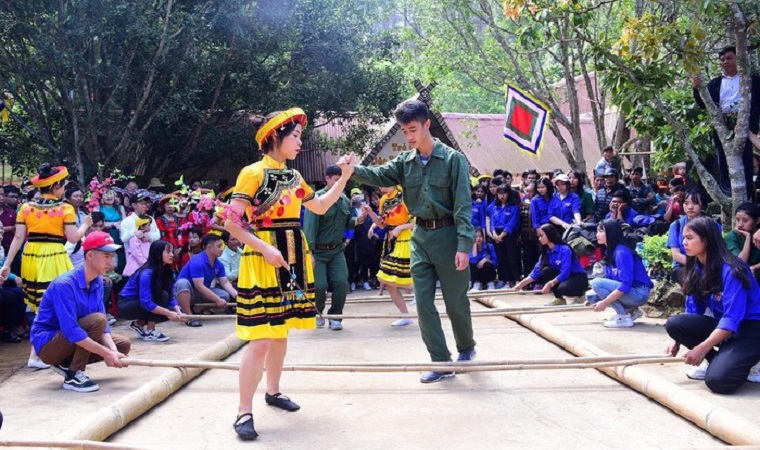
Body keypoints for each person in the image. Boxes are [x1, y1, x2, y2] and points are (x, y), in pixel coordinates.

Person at [223, 108, 355, 440]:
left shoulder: (294, 177)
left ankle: (273, 391)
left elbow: (321, 206)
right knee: (261, 338)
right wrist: (265, 248)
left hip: (294, 253)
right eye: (295, 136)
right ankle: (243, 410)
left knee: (281, 333)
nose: (300, 142)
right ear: (275, 137)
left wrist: (344, 178)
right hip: (264, 257)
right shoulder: (251, 173)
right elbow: (230, 223)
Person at [345, 99, 477, 384]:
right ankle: (441, 362)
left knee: (455, 302)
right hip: (420, 236)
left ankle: (466, 347)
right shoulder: (405, 163)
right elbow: (378, 174)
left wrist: (464, 246)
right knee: (423, 302)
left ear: (427, 124)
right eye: (404, 131)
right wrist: (353, 169)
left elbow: (463, 206)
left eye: (413, 129)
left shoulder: (453, 160)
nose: (409, 136)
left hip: (449, 235)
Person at [1, 164, 92, 369]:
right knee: (55, 302)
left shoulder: (26, 208)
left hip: (31, 256)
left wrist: (7, 264)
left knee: (40, 304)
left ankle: (38, 352)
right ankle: (41, 353)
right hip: (54, 256)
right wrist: (86, 224)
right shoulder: (65, 209)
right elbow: (73, 237)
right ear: (57, 186)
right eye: (62, 185)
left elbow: (17, 237)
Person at [665, 216, 760, 394]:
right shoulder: (695, 266)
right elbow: (693, 310)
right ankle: (719, 360)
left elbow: (733, 318)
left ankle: (751, 360)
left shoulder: (732, 270)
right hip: (724, 326)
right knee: (675, 324)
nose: (684, 243)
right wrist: (677, 340)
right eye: (684, 238)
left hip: (751, 327)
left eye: (690, 238)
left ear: (707, 240)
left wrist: (702, 347)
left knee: (718, 382)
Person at [31, 231, 131, 392]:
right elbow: (72, 330)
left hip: (71, 338)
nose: (111, 263)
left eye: (111, 256)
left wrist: (112, 351)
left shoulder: (98, 282)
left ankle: (67, 363)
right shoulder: (64, 285)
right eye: (106, 256)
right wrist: (106, 353)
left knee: (122, 345)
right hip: (49, 345)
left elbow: (103, 328)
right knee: (98, 320)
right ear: (90, 255)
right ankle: (74, 374)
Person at [303, 165, 366, 331]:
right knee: (320, 286)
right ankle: (318, 313)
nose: (340, 184)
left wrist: (359, 220)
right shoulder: (316, 198)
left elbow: (348, 223)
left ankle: (336, 316)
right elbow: (309, 228)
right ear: (327, 179)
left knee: (341, 282)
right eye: (337, 181)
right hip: (318, 251)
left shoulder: (344, 200)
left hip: (337, 250)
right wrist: (309, 253)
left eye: (342, 181)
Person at [693, 46, 760, 199]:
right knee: (723, 162)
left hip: (744, 125)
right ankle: (728, 195)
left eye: (729, 58)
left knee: (745, 163)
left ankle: (748, 195)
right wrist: (696, 89)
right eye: (722, 60)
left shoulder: (750, 79)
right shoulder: (715, 83)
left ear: (738, 59)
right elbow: (704, 104)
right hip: (722, 126)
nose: (725, 62)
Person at [586, 220, 654, 328]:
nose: (597, 235)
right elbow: (611, 279)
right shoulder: (610, 251)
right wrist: (596, 298)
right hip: (631, 291)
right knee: (590, 295)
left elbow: (625, 284)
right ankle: (632, 311)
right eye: (597, 231)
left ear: (610, 233)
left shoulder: (621, 252)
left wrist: (604, 302)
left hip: (639, 292)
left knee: (597, 283)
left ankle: (623, 316)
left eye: (600, 231)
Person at [367, 185, 415, 327]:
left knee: (408, 280)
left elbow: (417, 222)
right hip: (391, 241)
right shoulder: (383, 201)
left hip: (407, 239)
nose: (382, 188)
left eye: (385, 184)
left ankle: (421, 299)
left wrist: (400, 228)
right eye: (380, 185)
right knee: (388, 281)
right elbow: (382, 224)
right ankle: (405, 315)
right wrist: (370, 213)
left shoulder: (405, 197)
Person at [118, 240, 184, 342]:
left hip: (141, 303)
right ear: (158, 254)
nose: (172, 254)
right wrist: (168, 313)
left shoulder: (166, 270)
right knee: (162, 297)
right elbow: (146, 302)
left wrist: (178, 311)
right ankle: (149, 331)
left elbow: (170, 295)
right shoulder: (146, 273)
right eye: (168, 252)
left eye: (172, 251)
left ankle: (138, 324)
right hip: (126, 305)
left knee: (170, 306)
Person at [514, 224, 588, 305]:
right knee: (546, 271)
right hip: (564, 277)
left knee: (563, 288)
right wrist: (520, 285)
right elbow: (535, 273)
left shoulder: (565, 249)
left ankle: (581, 295)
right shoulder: (546, 253)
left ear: (549, 234)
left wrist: (551, 283)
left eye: (541, 236)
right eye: (538, 236)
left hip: (577, 277)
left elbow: (565, 272)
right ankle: (559, 298)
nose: (539, 239)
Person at [174, 234, 237, 326]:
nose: (222, 249)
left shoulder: (218, 264)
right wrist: (217, 299)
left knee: (225, 296)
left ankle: (197, 309)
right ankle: (188, 316)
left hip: (199, 292)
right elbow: (199, 286)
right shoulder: (197, 261)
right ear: (210, 248)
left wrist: (236, 295)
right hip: (187, 292)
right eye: (219, 246)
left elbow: (225, 282)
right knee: (182, 283)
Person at [667, 190, 713, 284]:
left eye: (695, 203)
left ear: (702, 205)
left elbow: (716, 251)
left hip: (709, 266)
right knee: (695, 281)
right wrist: (699, 267)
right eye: (686, 203)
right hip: (683, 267)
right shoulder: (676, 225)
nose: (690, 207)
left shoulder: (712, 225)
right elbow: (676, 255)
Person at [486, 184, 521, 288]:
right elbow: (492, 221)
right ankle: (507, 281)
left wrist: (502, 234)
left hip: (509, 235)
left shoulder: (513, 207)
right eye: (499, 194)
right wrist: (494, 234)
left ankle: (517, 280)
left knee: (512, 258)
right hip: (496, 235)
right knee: (502, 259)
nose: (502, 196)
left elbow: (512, 223)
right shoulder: (494, 206)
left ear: (508, 194)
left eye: (504, 193)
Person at [95, 189, 127, 274]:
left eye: (111, 194)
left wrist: (111, 223)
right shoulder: (99, 208)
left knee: (121, 257)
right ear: (101, 197)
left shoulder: (120, 207)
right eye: (106, 194)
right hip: (106, 235)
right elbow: (97, 223)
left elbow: (124, 223)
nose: (109, 196)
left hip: (119, 235)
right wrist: (113, 224)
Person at [120, 191, 160, 256]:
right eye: (142, 204)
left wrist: (150, 237)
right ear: (134, 205)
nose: (145, 206)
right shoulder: (126, 221)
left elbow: (157, 235)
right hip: (133, 258)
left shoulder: (150, 218)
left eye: (146, 203)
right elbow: (123, 239)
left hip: (150, 256)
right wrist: (134, 233)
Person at [726, 202, 760, 276]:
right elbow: (741, 262)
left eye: (745, 220)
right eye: (737, 220)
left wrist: (756, 267)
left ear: (757, 221)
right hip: (741, 276)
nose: (740, 224)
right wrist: (748, 237)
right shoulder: (732, 236)